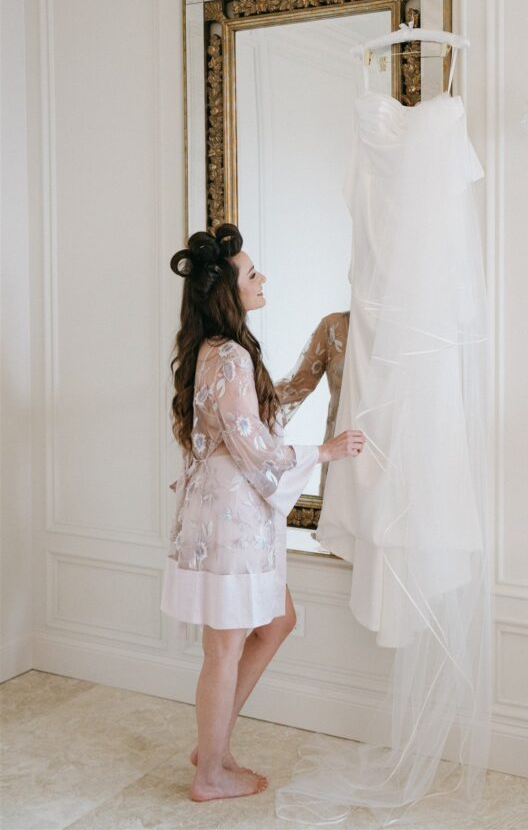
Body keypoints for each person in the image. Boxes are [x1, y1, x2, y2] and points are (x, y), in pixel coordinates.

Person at [160, 223, 365, 803]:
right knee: (223, 647)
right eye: (251, 273)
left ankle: (213, 747)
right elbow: (251, 444)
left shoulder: (219, 352)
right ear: (228, 291)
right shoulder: (226, 355)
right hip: (229, 514)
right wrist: (325, 450)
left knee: (275, 620)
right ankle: (211, 772)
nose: (261, 278)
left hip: (231, 510)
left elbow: (241, 429)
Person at [275, 310, 349, 496]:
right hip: (342, 449)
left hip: (393, 453)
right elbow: (294, 387)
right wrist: (239, 403)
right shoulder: (333, 326)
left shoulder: (407, 330)